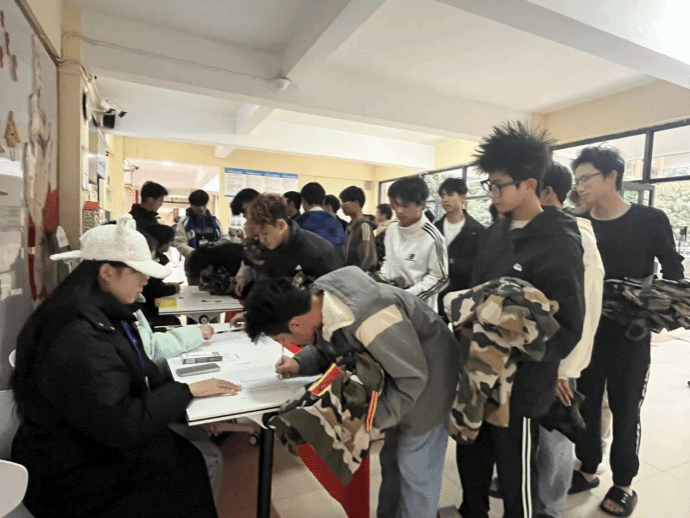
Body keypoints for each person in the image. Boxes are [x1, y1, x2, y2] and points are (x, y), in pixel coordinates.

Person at [10, 215, 240, 518]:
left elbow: (137, 372)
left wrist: (186, 395)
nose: (146, 280)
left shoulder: (97, 311)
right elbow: (121, 421)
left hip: (87, 443)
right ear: (107, 272)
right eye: (139, 271)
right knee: (191, 464)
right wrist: (186, 388)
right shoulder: (79, 334)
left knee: (190, 458)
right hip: (74, 470)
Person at [243, 266, 460, 518]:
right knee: (393, 461)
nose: (285, 344)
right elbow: (332, 341)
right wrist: (300, 363)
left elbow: (411, 377)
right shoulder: (322, 301)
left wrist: (371, 421)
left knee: (416, 469)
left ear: (295, 323)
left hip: (429, 384)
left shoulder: (371, 317)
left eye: (282, 338)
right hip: (401, 377)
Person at [455, 122, 585, 518]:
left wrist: (512, 335)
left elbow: (568, 327)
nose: (491, 194)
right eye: (489, 185)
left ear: (529, 185)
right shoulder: (496, 231)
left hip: (522, 386)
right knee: (471, 457)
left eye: (498, 186)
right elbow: (477, 294)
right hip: (478, 373)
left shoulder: (559, 240)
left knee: (516, 478)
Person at [569, 146, 684, 517]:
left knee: (625, 407)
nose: (579, 186)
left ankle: (623, 483)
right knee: (585, 402)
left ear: (611, 177)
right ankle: (588, 468)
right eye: (576, 179)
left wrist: (657, 308)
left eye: (586, 178)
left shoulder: (650, 220)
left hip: (630, 336)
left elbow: (674, 271)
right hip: (588, 332)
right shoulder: (577, 223)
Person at [531, 162, 604, 518]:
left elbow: (586, 311)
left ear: (546, 192)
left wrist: (565, 369)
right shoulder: (537, 230)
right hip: (534, 355)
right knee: (536, 437)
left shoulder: (578, 237)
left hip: (559, 361)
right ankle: (533, 497)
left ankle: (551, 508)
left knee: (554, 438)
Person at [380, 176, 448, 311]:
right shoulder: (392, 229)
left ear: (420, 205)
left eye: (405, 205)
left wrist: (407, 296)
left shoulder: (433, 237)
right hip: (391, 302)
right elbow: (388, 260)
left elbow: (439, 278)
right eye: (394, 205)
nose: (399, 211)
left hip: (418, 308)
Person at [433, 177, 485, 319]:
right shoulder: (434, 229)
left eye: (450, 195)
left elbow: (479, 269)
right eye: (442, 196)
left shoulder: (477, 231)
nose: (445, 200)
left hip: (463, 298)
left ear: (463, 197)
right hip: (435, 297)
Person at [174, 189, 230, 285]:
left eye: (204, 205)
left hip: (214, 265)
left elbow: (225, 239)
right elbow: (179, 243)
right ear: (191, 205)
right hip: (193, 265)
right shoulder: (184, 222)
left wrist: (214, 248)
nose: (201, 209)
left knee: (214, 290)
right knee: (195, 291)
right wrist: (197, 254)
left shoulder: (215, 221)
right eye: (197, 206)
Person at [139, 224, 181, 327]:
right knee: (175, 312)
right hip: (150, 306)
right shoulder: (148, 262)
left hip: (153, 303)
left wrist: (165, 286)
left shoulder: (160, 259)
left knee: (177, 307)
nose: (170, 244)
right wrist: (171, 289)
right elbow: (148, 289)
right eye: (169, 241)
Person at [339, 186, 377, 272]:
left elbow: (367, 260)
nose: (342, 206)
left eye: (345, 202)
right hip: (349, 273)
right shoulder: (349, 226)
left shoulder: (364, 227)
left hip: (360, 276)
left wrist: (358, 276)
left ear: (356, 203)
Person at [374, 203, 393, 268]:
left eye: (378, 212)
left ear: (384, 215)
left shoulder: (383, 228)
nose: (376, 215)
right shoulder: (391, 226)